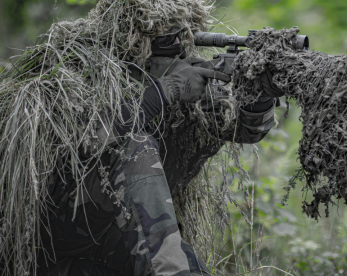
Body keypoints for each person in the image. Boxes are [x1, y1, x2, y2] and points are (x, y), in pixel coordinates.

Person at [37, 26, 283, 276]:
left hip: (110, 236)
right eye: (165, 36)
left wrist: (259, 95)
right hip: (53, 238)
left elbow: (242, 131)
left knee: (189, 267)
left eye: (182, 32)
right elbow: (86, 145)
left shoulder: (184, 74)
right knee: (135, 145)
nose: (178, 41)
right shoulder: (83, 68)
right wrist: (162, 93)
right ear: (132, 39)